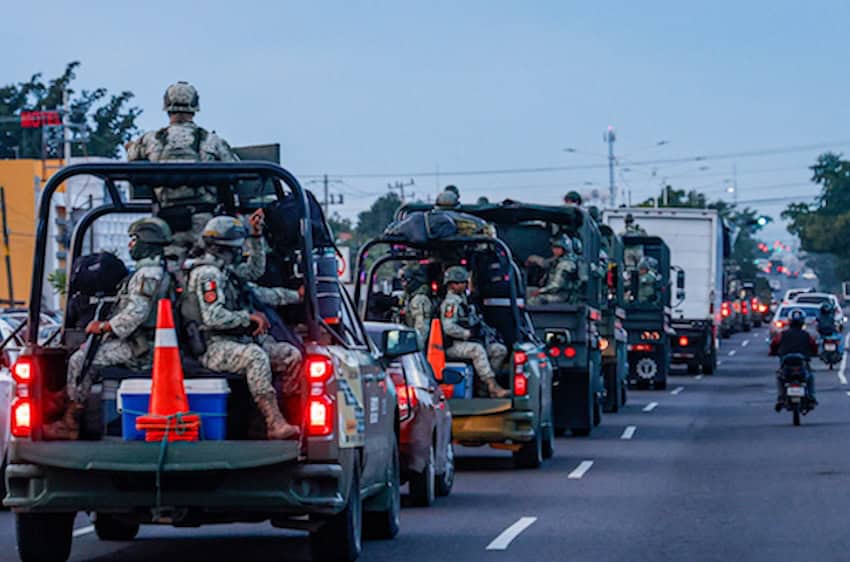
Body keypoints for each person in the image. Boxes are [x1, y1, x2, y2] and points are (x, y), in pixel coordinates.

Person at [44, 218, 173, 440]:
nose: (131, 245)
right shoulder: (147, 272)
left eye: (134, 239)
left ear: (147, 242)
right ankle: (68, 395)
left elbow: (136, 314)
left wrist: (104, 326)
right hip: (139, 342)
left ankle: (70, 421)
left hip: (145, 349)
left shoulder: (148, 274)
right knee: (88, 350)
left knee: (80, 360)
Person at [186, 216, 303, 439]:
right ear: (228, 248)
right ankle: (273, 423)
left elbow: (257, 285)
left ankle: (285, 416)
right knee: (255, 357)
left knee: (290, 355)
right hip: (213, 345)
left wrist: (296, 297)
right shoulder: (207, 274)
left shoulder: (227, 273)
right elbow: (213, 317)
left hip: (236, 341)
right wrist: (248, 318)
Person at [125, 81, 239, 264]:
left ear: (166, 106)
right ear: (195, 107)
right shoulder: (212, 140)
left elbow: (131, 156)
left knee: (162, 270)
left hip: (164, 224)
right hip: (204, 223)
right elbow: (235, 169)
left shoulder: (150, 140)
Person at [439, 266, 510, 398]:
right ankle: (493, 387)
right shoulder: (450, 303)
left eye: (464, 282)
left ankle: (483, 388)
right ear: (451, 285)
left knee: (499, 350)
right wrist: (467, 333)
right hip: (454, 344)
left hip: (469, 341)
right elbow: (448, 327)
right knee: (477, 350)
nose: (464, 285)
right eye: (460, 282)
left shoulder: (464, 300)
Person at [770, 308, 818, 410]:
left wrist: (773, 352)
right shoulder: (806, 335)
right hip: (800, 363)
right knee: (810, 377)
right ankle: (811, 397)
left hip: (787, 364)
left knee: (780, 377)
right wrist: (814, 353)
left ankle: (781, 398)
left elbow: (774, 344)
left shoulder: (782, 334)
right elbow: (813, 346)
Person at [527, 235, 579, 305]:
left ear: (564, 249)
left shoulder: (565, 264)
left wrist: (540, 291)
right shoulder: (557, 259)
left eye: (557, 248)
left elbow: (556, 286)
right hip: (553, 292)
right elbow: (545, 263)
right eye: (554, 247)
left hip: (560, 296)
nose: (554, 250)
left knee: (533, 300)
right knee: (527, 291)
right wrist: (533, 258)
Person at [400, 265, 433, 348]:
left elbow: (421, 328)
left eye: (405, 281)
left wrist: (414, 347)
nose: (403, 284)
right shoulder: (409, 297)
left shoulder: (419, 299)